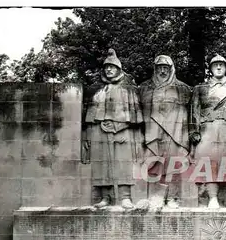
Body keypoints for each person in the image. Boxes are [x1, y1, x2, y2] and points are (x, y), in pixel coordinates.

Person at [81, 48, 143, 209]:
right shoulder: (96, 89)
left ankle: (125, 197)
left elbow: (136, 116)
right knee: (102, 164)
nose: (109, 70)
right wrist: (88, 134)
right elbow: (88, 117)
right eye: (106, 67)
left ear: (118, 69)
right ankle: (106, 197)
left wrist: (119, 125)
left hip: (123, 130)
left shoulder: (129, 88)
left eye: (112, 67)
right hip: (99, 130)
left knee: (123, 163)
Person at [189, 55, 226, 209]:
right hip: (209, 128)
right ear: (210, 68)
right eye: (215, 65)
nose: (218, 68)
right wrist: (194, 131)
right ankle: (213, 198)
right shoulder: (201, 88)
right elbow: (194, 111)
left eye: (221, 65)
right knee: (210, 163)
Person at [139, 55, 193, 208]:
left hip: (175, 134)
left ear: (171, 69)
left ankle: (172, 198)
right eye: (159, 67)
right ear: (155, 69)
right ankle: (155, 197)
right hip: (152, 133)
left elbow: (189, 114)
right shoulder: (144, 88)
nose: (162, 71)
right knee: (153, 164)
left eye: (166, 68)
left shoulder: (183, 88)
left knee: (174, 165)